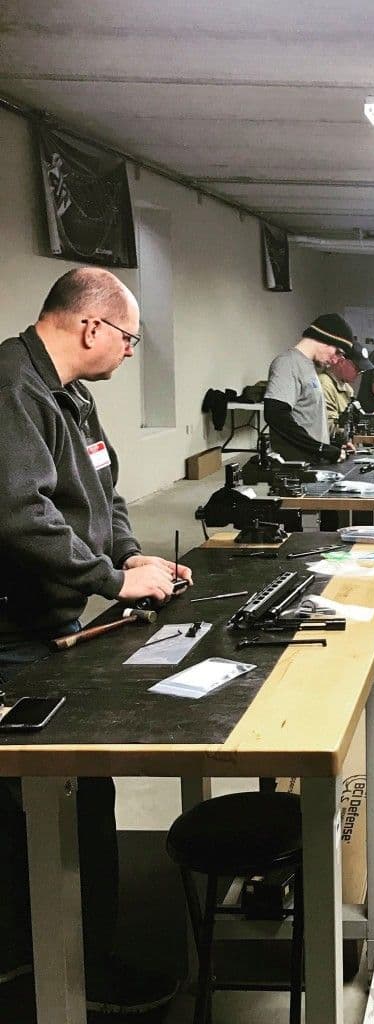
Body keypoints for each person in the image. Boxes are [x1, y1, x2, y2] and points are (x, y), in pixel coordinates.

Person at [0, 267, 188, 1014]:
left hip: (54, 619)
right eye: (130, 339)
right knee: (41, 805)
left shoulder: (73, 395)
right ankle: (62, 974)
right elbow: (21, 517)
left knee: (80, 792)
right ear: (90, 327)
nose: (131, 352)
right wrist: (110, 581)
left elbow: (105, 493)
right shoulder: (13, 390)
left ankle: (78, 950)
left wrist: (132, 558)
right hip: (13, 631)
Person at [264, 313, 359, 464]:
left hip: (312, 461)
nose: (335, 360)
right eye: (337, 352)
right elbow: (276, 415)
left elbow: (308, 419)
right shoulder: (288, 363)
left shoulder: (308, 366)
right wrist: (321, 449)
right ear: (325, 339)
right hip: (296, 465)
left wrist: (331, 446)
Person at [316, 334, 374, 445]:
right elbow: (327, 428)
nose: (359, 373)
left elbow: (352, 418)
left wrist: (371, 417)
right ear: (342, 362)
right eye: (357, 368)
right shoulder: (324, 385)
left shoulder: (346, 388)